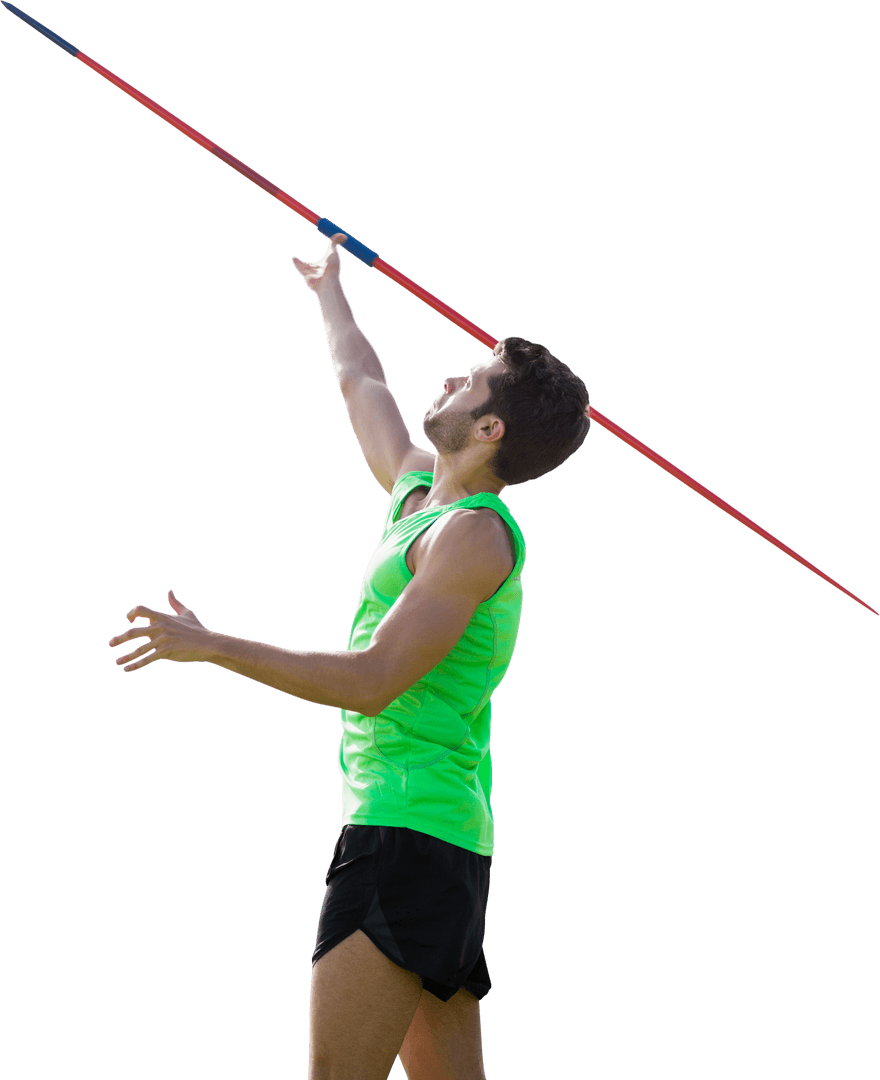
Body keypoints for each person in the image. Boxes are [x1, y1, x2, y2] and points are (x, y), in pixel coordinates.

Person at [107, 233, 590, 1080]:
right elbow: (360, 381)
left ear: (488, 426)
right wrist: (329, 291)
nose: (448, 377)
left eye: (469, 377)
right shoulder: (417, 494)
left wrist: (215, 646)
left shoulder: (474, 537)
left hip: (406, 832)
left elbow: (373, 683)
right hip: (434, 837)